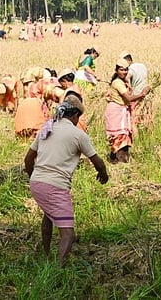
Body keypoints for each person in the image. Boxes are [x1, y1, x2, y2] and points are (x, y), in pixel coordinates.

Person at [23, 94, 108, 265]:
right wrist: (103, 174)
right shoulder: (78, 134)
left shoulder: (47, 128)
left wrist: (36, 177)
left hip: (37, 183)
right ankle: (56, 269)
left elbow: (28, 159)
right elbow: (97, 161)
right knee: (69, 235)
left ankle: (46, 254)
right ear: (75, 115)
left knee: (49, 215)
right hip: (56, 186)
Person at [105, 58, 150, 163]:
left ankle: (118, 161)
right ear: (116, 71)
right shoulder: (117, 83)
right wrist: (142, 94)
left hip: (121, 111)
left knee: (123, 136)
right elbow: (129, 98)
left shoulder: (123, 82)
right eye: (121, 70)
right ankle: (120, 162)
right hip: (116, 112)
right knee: (119, 137)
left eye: (126, 70)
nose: (124, 72)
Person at [120, 52, 152, 132]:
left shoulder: (131, 69)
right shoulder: (142, 66)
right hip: (147, 95)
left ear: (127, 60)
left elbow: (127, 78)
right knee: (147, 118)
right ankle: (150, 137)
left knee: (133, 121)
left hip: (137, 97)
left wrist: (124, 84)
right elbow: (148, 76)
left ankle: (136, 141)